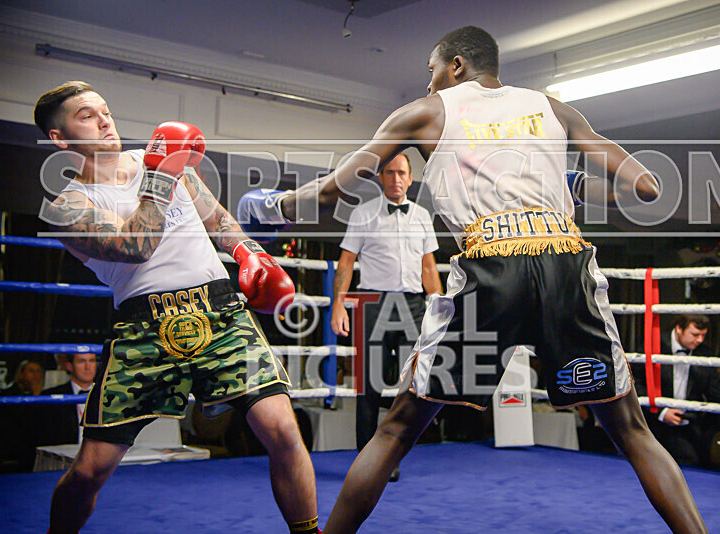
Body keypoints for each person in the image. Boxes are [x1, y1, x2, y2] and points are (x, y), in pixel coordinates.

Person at [244, 26, 708, 533]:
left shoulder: (426, 112)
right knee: (632, 430)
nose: (429, 83)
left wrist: (274, 207)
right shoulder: (553, 108)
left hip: (493, 269)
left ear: (457, 65)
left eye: (432, 70)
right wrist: (569, 183)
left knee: (396, 430)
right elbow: (643, 187)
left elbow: (333, 191)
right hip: (565, 266)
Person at [33, 81, 319, 534]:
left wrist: (247, 252)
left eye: (105, 110)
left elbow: (216, 218)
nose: (104, 121)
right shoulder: (66, 208)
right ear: (59, 138)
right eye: (86, 116)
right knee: (90, 471)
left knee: (283, 429)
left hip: (220, 314)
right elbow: (135, 246)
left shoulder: (166, 160)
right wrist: (160, 175)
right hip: (144, 331)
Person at [330, 153, 442, 481]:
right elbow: (346, 262)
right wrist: (338, 305)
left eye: (401, 173)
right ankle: (366, 463)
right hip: (372, 303)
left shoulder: (422, 216)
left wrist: (437, 308)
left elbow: (428, 267)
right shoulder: (363, 214)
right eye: (390, 173)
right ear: (381, 177)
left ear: (410, 178)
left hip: (412, 304)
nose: (396, 179)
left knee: (411, 385)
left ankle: (391, 456)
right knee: (369, 385)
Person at [634, 315, 720, 467]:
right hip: (652, 422)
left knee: (696, 463)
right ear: (679, 329)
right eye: (695, 334)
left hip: (688, 425)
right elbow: (635, 382)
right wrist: (661, 411)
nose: (700, 340)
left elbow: (716, 396)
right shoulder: (653, 346)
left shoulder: (704, 354)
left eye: (703, 335)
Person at [38, 352, 97, 446]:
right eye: (81, 361)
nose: (87, 367)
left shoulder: (107, 395)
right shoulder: (51, 397)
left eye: (91, 361)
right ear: (69, 366)